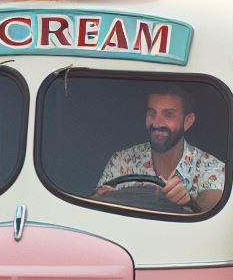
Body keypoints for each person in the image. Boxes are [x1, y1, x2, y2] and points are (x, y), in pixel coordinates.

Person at [95, 89, 224, 213]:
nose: (157, 123)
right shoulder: (121, 160)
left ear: (187, 121)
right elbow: (93, 208)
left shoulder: (212, 168)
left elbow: (214, 205)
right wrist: (101, 197)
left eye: (168, 114)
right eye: (152, 113)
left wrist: (190, 203)